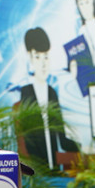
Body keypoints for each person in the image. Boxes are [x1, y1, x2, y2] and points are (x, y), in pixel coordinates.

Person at [15, 27, 78, 166]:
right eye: (37, 57)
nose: (43, 64)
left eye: (46, 57)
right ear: (30, 57)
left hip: (53, 170)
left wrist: (81, 148)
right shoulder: (25, 94)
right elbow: (26, 142)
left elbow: (61, 136)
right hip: (37, 172)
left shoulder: (51, 93)